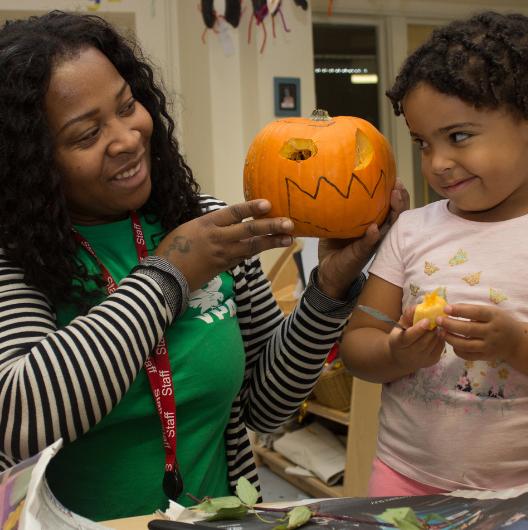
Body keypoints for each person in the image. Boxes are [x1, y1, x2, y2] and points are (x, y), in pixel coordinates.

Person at [0, 10, 408, 522]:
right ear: (31, 161)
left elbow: (266, 408)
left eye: (128, 106)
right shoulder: (15, 257)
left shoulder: (205, 221)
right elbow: (22, 418)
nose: (127, 137)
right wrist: (171, 272)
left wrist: (327, 289)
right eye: (86, 135)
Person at [340, 11, 528, 497]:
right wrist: (393, 352)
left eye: (459, 136)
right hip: (405, 480)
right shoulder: (411, 229)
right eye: (423, 143)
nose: (438, 163)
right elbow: (358, 345)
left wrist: (515, 345)